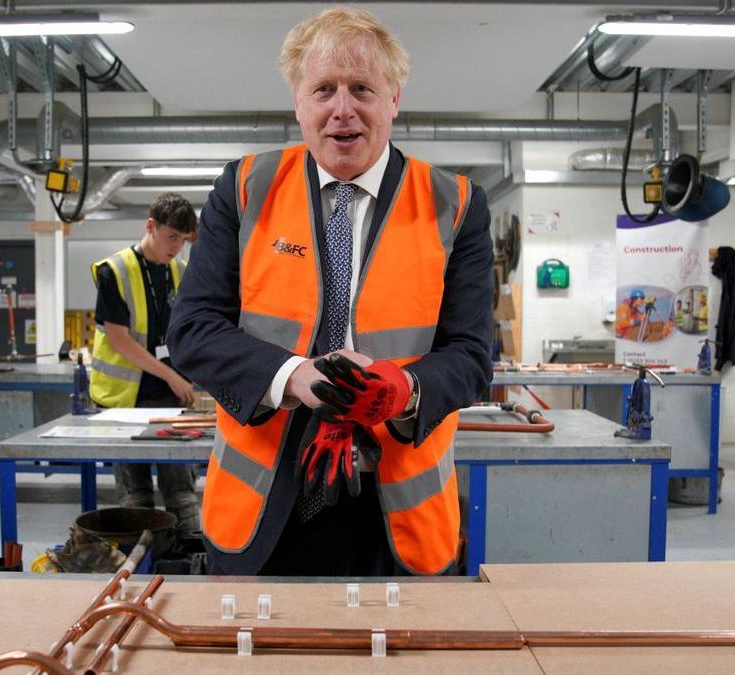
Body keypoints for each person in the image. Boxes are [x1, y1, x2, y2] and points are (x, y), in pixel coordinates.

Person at [168, 8, 493, 576]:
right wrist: (294, 377)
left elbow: (472, 357)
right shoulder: (245, 190)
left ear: (393, 100)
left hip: (395, 509)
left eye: (362, 88)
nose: (343, 109)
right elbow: (192, 332)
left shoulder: (456, 205)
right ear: (299, 102)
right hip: (265, 504)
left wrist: (404, 388)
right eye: (324, 89)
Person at [89, 192, 200, 534]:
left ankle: (189, 561)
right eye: (171, 237)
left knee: (181, 490)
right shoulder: (114, 271)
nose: (177, 247)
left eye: (183, 240)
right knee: (135, 495)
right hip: (123, 400)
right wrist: (173, 377)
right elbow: (121, 341)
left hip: (169, 398)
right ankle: (139, 568)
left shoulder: (181, 272)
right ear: (150, 226)